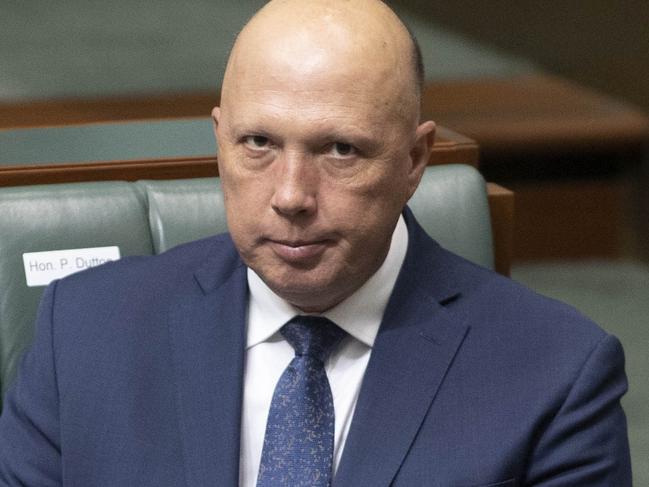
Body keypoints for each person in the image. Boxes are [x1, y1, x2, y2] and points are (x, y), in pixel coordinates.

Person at [0, 0, 631, 485]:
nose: (291, 195)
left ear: (415, 160)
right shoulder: (82, 335)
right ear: (220, 142)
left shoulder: (558, 375)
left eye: (340, 149)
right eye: (258, 144)